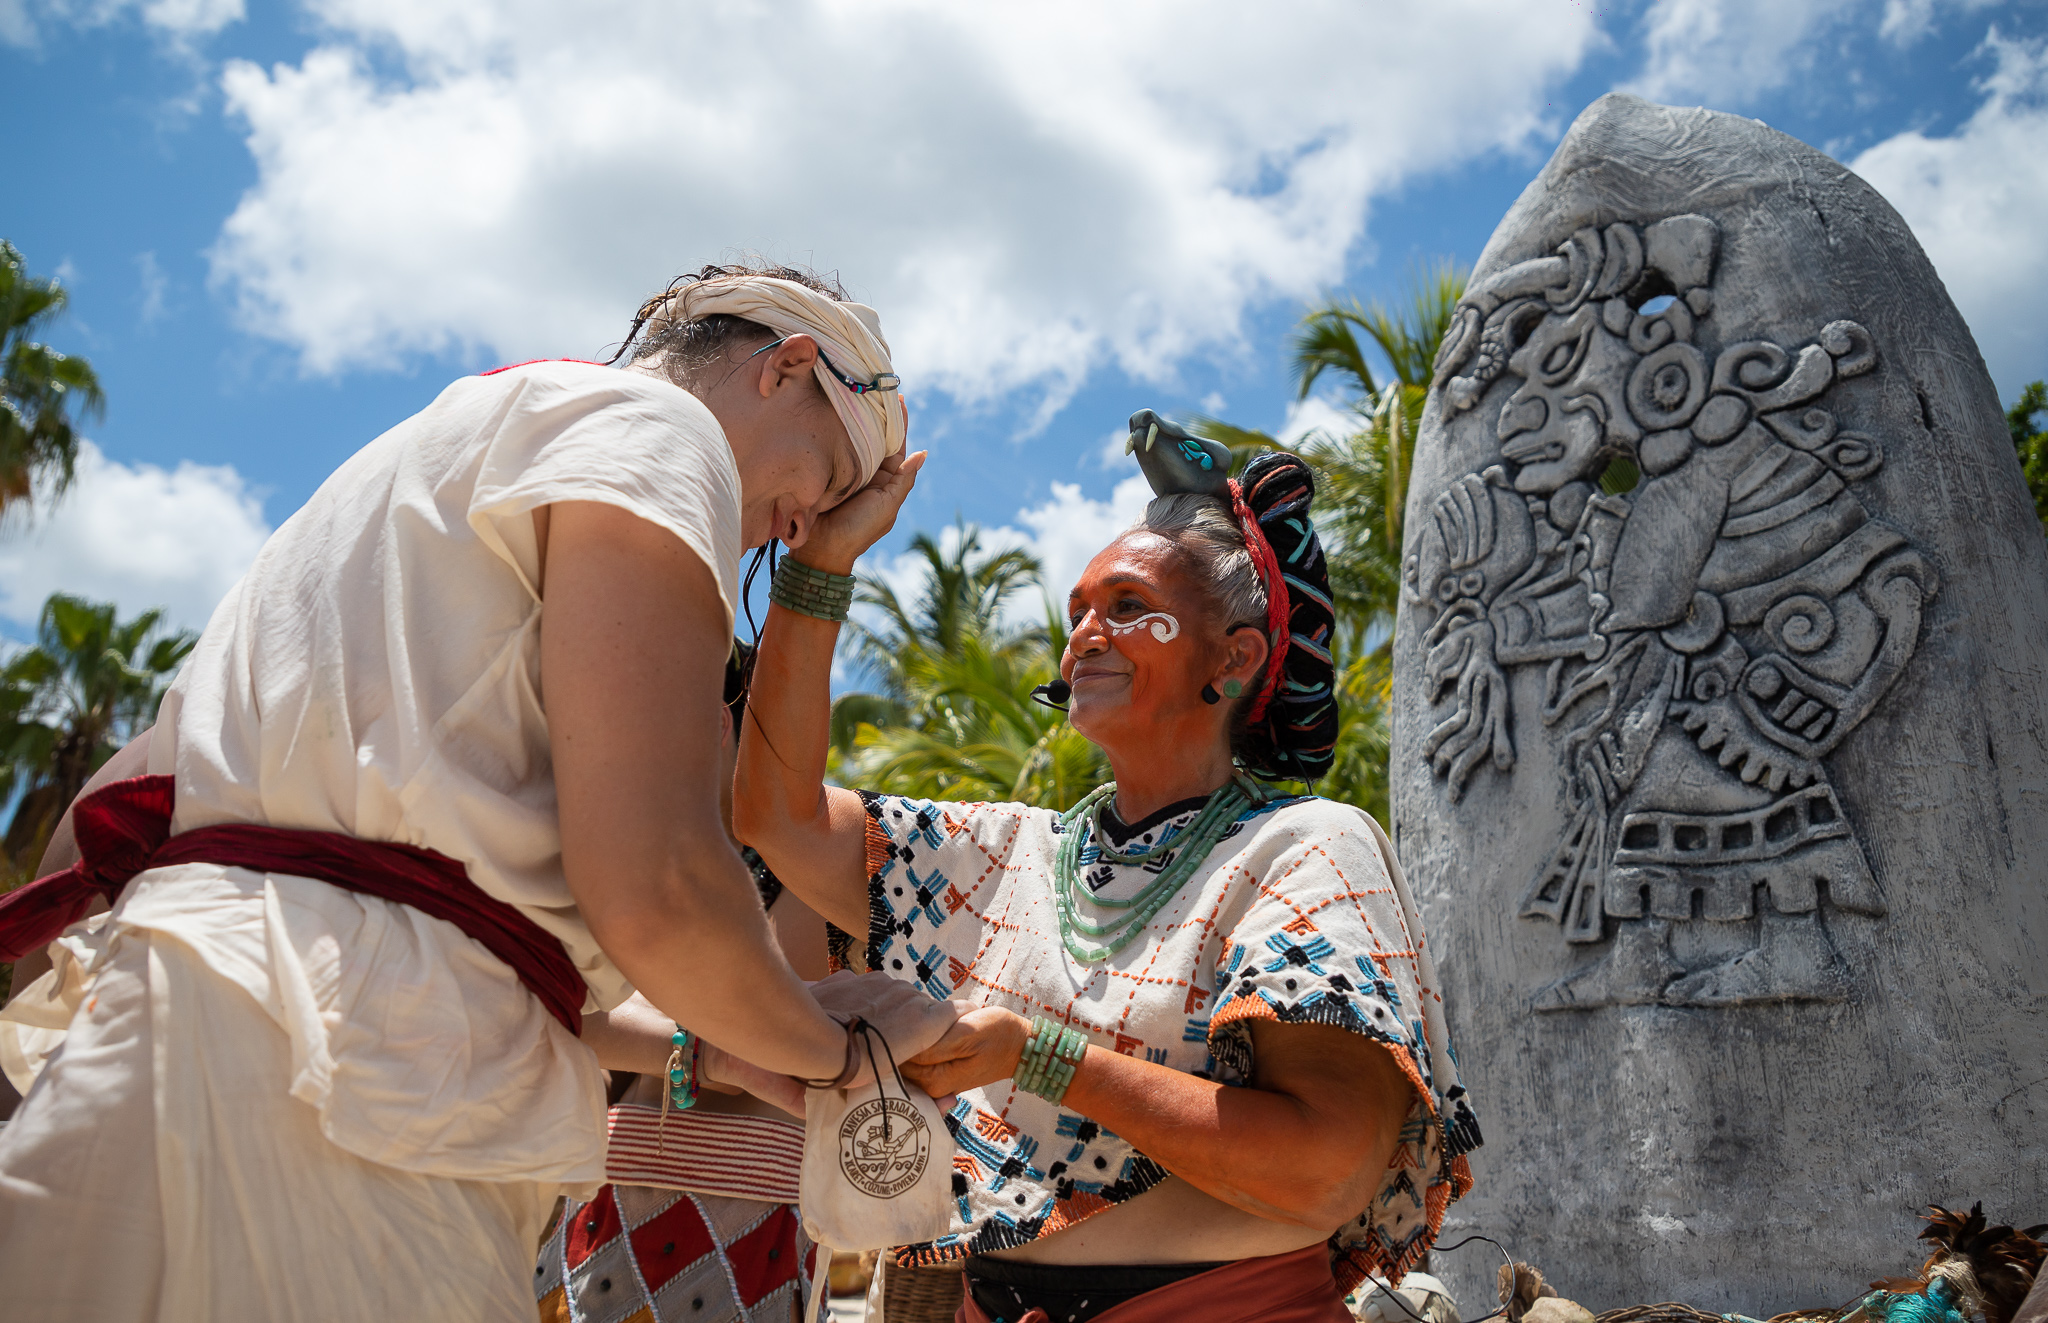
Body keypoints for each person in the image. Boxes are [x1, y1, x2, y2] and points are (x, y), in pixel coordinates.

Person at [0, 262, 955, 1321]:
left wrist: (734, 1039)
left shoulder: (409, 467)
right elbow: (660, 888)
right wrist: (834, 1055)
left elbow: (111, 820)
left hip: (159, 1024)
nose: (795, 528)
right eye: (820, 480)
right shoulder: (657, 429)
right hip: (376, 1085)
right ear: (785, 367)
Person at [735, 435, 1483, 1323]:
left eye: (1128, 606)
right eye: (1078, 611)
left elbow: (1326, 1171)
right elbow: (776, 816)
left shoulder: (1303, 846)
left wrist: (1038, 1056)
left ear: (1235, 658)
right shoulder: (1007, 852)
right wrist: (820, 563)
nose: (1085, 636)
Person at [535, 645, 837, 1323]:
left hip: (733, 1216)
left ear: (718, 723)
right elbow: (557, 1009)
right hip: (617, 1203)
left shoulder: (807, 872)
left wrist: (654, 1036)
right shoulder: (640, 856)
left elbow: (768, 1043)